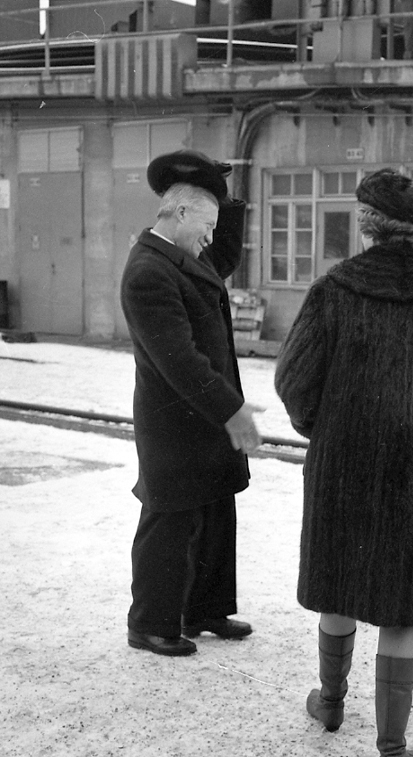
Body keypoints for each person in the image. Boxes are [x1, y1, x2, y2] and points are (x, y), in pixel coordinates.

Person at [275, 168, 413, 757]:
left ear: (367, 226)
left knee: (338, 583)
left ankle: (330, 701)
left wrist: (326, 429)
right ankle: (392, 749)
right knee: (401, 609)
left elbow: (294, 379)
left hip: (343, 461)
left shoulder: (333, 289)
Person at [121, 150, 263, 657]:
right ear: (179, 213)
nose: (210, 238)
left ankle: (204, 610)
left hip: (202, 414)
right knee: (171, 519)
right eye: (206, 226)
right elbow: (178, 358)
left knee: (215, 510)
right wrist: (231, 409)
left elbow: (221, 257)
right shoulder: (149, 271)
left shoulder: (183, 256)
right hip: (174, 421)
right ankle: (150, 624)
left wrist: (220, 194)